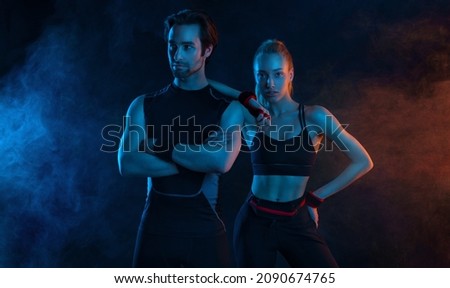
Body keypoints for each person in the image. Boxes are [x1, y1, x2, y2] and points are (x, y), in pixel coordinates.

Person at [117, 9, 266, 268]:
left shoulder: (227, 109)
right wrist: (196, 160)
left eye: (187, 47)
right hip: (154, 235)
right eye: (172, 46)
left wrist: (156, 146)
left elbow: (220, 162)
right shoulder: (143, 105)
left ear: (207, 50)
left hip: (205, 235)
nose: (176, 55)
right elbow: (127, 163)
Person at [211, 39, 373, 267]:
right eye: (262, 75)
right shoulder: (248, 115)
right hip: (254, 221)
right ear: (255, 76)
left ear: (291, 75)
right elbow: (205, 83)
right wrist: (247, 100)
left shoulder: (315, 117)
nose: (270, 83)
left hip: (296, 220)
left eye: (278, 74)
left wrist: (315, 198)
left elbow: (363, 161)